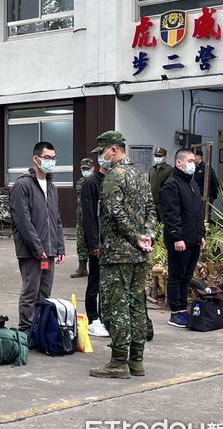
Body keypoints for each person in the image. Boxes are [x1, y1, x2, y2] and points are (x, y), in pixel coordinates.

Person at [89, 131, 156, 379]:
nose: (100, 159)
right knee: (137, 305)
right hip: (139, 254)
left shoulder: (113, 177)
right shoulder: (139, 175)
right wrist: (146, 236)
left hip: (117, 253)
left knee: (115, 307)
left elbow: (115, 213)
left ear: (114, 150)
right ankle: (136, 360)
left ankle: (119, 361)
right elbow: (151, 209)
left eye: (102, 152)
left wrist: (135, 236)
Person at [10, 141, 66, 333]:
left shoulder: (51, 186)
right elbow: (23, 221)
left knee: (44, 294)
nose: (51, 162)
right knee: (30, 292)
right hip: (31, 252)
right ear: (36, 158)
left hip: (49, 251)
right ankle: (25, 332)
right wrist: (37, 248)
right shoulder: (22, 185)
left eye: (53, 158)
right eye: (47, 158)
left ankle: (39, 330)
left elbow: (56, 219)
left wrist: (59, 248)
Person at [161, 149, 206, 328]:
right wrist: (177, 237)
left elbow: (197, 212)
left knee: (187, 276)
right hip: (179, 240)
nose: (193, 164)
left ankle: (183, 308)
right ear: (179, 163)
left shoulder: (192, 184)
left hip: (193, 238)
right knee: (176, 274)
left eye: (194, 161)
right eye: (189, 160)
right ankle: (176, 312)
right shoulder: (171, 184)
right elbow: (172, 214)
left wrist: (201, 234)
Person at [80, 164, 110, 337]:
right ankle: (93, 318)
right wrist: (93, 244)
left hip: (112, 243)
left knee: (107, 284)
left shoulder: (114, 181)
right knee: (95, 281)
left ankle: (105, 317)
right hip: (98, 241)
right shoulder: (91, 183)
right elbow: (89, 216)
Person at [71, 158, 94, 278]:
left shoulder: (98, 181)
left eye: (87, 169)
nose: (85, 171)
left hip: (93, 219)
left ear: (93, 169)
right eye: (83, 169)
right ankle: (82, 268)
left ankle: (95, 268)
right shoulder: (80, 182)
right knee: (81, 242)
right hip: (81, 217)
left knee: (94, 243)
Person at [148, 147, 173, 222]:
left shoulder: (169, 170)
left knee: (164, 225)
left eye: (159, 156)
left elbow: (171, 188)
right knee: (152, 225)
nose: (157, 158)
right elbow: (149, 184)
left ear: (165, 157)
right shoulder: (151, 169)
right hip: (152, 204)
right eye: (156, 156)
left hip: (164, 205)